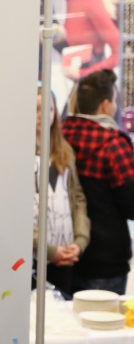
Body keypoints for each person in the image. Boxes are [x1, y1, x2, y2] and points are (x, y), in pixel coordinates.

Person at [62, 70, 134, 295]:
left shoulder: (60, 136)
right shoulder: (114, 145)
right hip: (106, 259)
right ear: (105, 105)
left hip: (64, 253)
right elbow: (131, 205)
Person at [33, 87, 90, 296]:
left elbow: (77, 198)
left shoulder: (64, 151)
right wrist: (48, 250)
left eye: (49, 109)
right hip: (34, 256)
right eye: (37, 109)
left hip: (66, 254)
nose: (43, 115)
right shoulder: (17, 154)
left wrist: (80, 242)